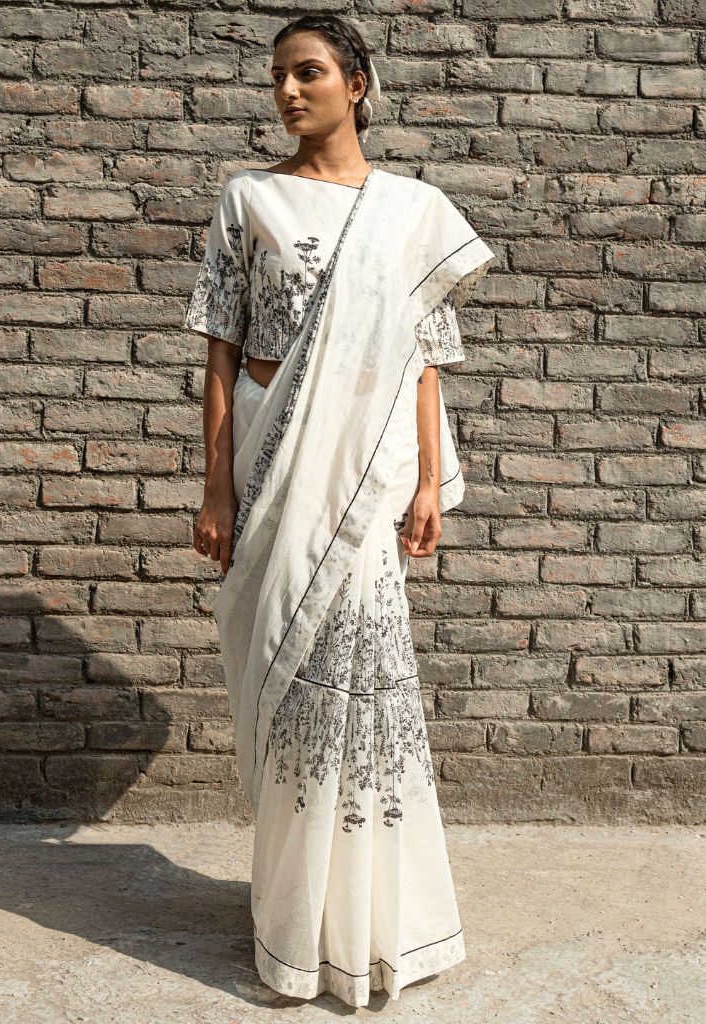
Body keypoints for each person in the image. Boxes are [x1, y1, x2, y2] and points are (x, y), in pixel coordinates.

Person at [185, 13, 495, 1007]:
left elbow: (425, 360)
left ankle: (371, 922)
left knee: (358, 685)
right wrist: (216, 485)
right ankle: (293, 919)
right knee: (281, 681)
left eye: (309, 72)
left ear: (356, 83)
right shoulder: (249, 198)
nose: (288, 91)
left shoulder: (412, 212)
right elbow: (221, 351)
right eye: (278, 75)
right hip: (274, 465)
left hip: (365, 473)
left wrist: (427, 482)